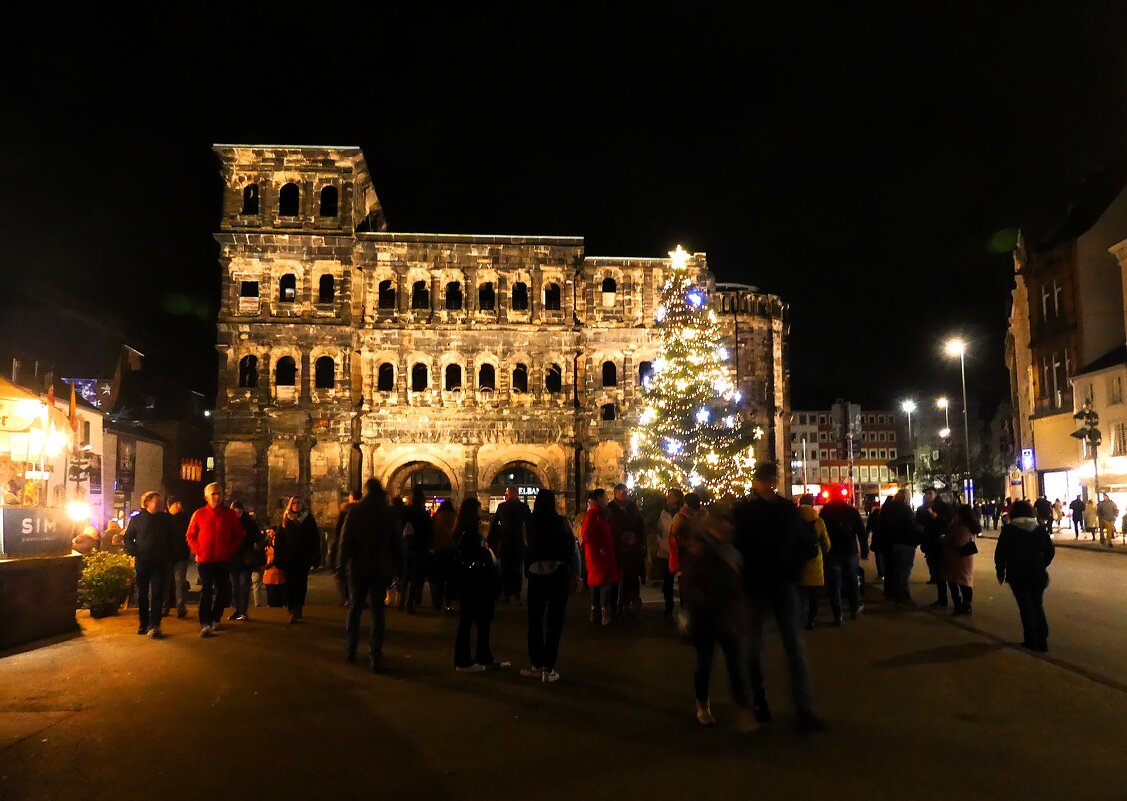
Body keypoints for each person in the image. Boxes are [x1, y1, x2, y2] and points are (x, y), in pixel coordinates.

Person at [731, 462, 824, 733]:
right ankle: (799, 707)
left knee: (761, 645)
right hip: (777, 583)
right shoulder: (783, 511)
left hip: (762, 583)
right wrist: (792, 567)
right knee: (789, 646)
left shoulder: (745, 512)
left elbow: (737, 548)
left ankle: (765, 703)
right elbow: (807, 545)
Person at [679, 516, 755, 732]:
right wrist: (707, 604)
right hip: (707, 617)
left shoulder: (732, 551)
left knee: (735, 663)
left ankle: (743, 709)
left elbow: (739, 587)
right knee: (705, 663)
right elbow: (690, 585)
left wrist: (739, 614)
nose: (727, 529)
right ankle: (702, 704)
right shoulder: (700, 551)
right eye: (723, 526)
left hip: (727, 617)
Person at [337, 478, 399, 671]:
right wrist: (399, 567)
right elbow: (397, 543)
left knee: (355, 608)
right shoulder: (387, 513)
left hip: (358, 568)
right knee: (377, 612)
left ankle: (351, 648)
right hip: (380, 568)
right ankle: (375, 654)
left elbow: (345, 542)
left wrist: (340, 566)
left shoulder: (356, 511)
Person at [519, 488, 580, 683]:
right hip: (558, 574)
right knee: (555, 623)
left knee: (535, 621)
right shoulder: (562, 522)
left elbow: (525, 547)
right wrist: (576, 574)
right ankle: (549, 667)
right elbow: (573, 549)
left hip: (536, 574)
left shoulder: (528, 523)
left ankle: (536, 664)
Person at [995, 499, 1055, 651]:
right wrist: (1042, 563)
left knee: (1025, 607)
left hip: (1018, 574)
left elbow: (1000, 553)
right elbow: (1050, 551)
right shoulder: (1039, 529)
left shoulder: (1009, 530)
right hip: (1037, 573)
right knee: (1037, 604)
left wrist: (1000, 571)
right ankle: (1042, 639)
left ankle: (1031, 639)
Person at [185, 483, 244, 638]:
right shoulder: (199, 514)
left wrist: (229, 550)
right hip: (205, 558)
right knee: (206, 589)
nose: (217, 497)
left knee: (222, 590)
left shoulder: (229, 514)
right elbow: (190, 535)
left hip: (222, 558)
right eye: (213, 494)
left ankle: (216, 617)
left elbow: (239, 534)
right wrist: (197, 550)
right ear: (206, 497)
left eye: (219, 493)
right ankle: (205, 621)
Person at [453, 498, 498, 671]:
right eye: (479, 509)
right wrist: (483, 562)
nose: (482, 511)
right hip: (475, 582)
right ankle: (463, 660)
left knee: (475, 620)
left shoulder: (465, 531)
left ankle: (482, 656)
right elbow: (470, 558)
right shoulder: (469, 533)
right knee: (471, 621)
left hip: (471, 582)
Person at [123, 491, 174, 639]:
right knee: (142, 594)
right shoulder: (137, 520)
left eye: (160, 502)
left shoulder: (165, 519)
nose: (159, 504)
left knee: (157, 593)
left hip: (159, 562)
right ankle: (143, 623)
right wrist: (134, 551)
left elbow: (172, 538)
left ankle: (155, 624)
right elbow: (128, 538)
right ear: (147, 503)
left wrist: (168, 554)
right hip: (143, 561)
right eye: (156, 502)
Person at [819, 491, 867, 625]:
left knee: (834, 585)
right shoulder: (851, 512)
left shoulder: (825, 512)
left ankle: (838, 615)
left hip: (831, 553)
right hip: (849, 552)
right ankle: (854, 608)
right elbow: (861, 532)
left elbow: (820, 533)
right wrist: (864, 550)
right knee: (852, 581)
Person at [275, 497, 322, 623]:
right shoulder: (286, 519)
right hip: (289, 558)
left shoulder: (308, 519)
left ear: (302, 505)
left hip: (303, 557)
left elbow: (315, 539)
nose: (296, 505)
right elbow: (279, 540)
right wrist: (278, 558)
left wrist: (316, 556)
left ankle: (299, 607)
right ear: (290, 505)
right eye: (294, 503)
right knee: (290, 584)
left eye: (298, 503)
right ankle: (292, 608)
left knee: (301, 584)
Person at [606, 483, 646, 619]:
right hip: (618, 549)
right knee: (616, 580)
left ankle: (631, 603)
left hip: (633, 550)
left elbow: (640, 525)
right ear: (615, 493)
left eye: (626, 492)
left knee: (632, 578)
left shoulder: (632, 507)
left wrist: (637, 540)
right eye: (622, 492)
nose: (625, 494)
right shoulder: (610, 508)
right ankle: (615, 605)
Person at [489, 486, 531, 605]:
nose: (506, 495)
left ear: (513, 494)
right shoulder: (503, 507)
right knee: (505, 569)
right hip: (507, 543)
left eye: (507, 493)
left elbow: (528, 525)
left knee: (516, 570)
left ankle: (515, 594)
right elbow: (495, 526)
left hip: (515, 543)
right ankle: (508, 593)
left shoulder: (521, 507)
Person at [877, 488, 917, 604]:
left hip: (889, 543)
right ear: (906, 497)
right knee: (904, 570)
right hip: (905, 542)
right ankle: (903, 596)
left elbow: (881, 525)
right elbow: (911, 526)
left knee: (891, 569)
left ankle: (890, 593)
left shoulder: (887, 508)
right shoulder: (905, 509)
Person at [797, 494, 830, 630]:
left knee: (799, 595)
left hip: (797, 562)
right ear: (813, 504)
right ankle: (811, 620)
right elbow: (826, 543)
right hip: (815, 561)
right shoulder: (818, 520)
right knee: (814, 596)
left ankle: (799, 619)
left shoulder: (794, 519)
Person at [916, 488, 952, 608]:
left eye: (930, 493)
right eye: (926, 494)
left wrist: (935, 516)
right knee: (936, 571)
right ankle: (942, 598)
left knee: (944, 571)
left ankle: (950, 599)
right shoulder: (922, 509)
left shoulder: (943, 506)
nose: (928, 496)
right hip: (929, 543)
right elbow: (918, 524)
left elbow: (948, 522)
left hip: (941, 543)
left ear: (935, 494)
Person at [942, 504, 980, 616]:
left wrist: (946, 539)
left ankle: (960, 605)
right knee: (964, 581)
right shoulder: (971, 525)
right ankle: (966, 605)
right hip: (965, 557)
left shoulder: (962, 526)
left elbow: (959, 541)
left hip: (957, 556)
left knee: (956, 581)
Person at [399, 489, 433, 613]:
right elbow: (429, 532)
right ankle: (410, 602)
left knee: (406, 575)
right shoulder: (424, 514)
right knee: (415, 578)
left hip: (407, 546)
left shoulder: (407, 512)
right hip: (420, 548)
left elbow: (400, 526)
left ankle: (402, 600)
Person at [227, 501, 262, 621]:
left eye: (239, 511)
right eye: (235, 511)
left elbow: (257, 536)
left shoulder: (249, 522)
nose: (237, 514)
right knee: (234, 586)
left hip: (245, 558)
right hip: (233, 559)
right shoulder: (229, 522)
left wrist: (246, 535)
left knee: (244, 584)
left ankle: (243, 611)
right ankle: (238, 610)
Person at [655, 488, 683, 619]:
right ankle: (668, 609)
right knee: (667, 582)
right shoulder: (664, 512)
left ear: (677, 498)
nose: (668, 498)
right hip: (666, 551)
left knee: (683, 581)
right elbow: (660, 529)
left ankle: (684, 609)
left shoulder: (682, 513)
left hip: (679, 551)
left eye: (671, 496)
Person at [163, 496, 191, 618]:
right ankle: (165, 607)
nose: (179, 506)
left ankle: (180, 607)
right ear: (170, 505)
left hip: (180, 556)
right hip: (167, 556)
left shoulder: (185, 518)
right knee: (166, 583)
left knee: (180, 583)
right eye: (176, 504)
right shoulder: (164, 519)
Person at [330, 491, 360, 605]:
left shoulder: (345, 511)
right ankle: (356, 597)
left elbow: (338, 532)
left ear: (351, 498)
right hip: (360, 547)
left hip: (346, 545)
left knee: (346, 573)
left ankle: (348, 597)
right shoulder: (365, 511)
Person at [430, 499, 458, 612]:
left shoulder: (436, 517)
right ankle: (448, 603)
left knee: (438, 579)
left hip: (438, 550)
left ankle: (437, 603)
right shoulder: (454, 516)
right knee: (450, 579)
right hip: (450, 550)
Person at [865, 501, 883, 579]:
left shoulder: (872, 516)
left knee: (878, 556)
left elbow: (868, 528)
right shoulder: (885, 515)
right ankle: (885, 572)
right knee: (885, 556)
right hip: (886, 538)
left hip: (876, 538)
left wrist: (865, 539)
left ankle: (881, 573)